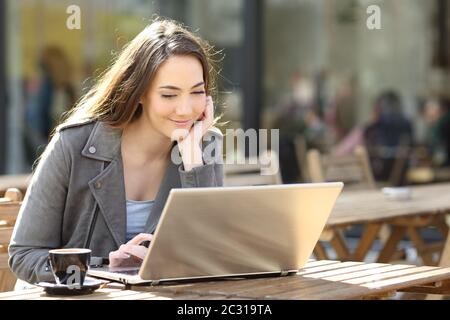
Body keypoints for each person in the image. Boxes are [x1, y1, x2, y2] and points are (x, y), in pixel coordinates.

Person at [9, 19, 224, 285]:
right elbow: (24, 254)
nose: (185, 110)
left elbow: (211, 256)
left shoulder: (205, 144)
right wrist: (107, 268)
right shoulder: (73, 144)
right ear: (140, 93)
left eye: (197, 92)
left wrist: (193, 162)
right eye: (169, 95)